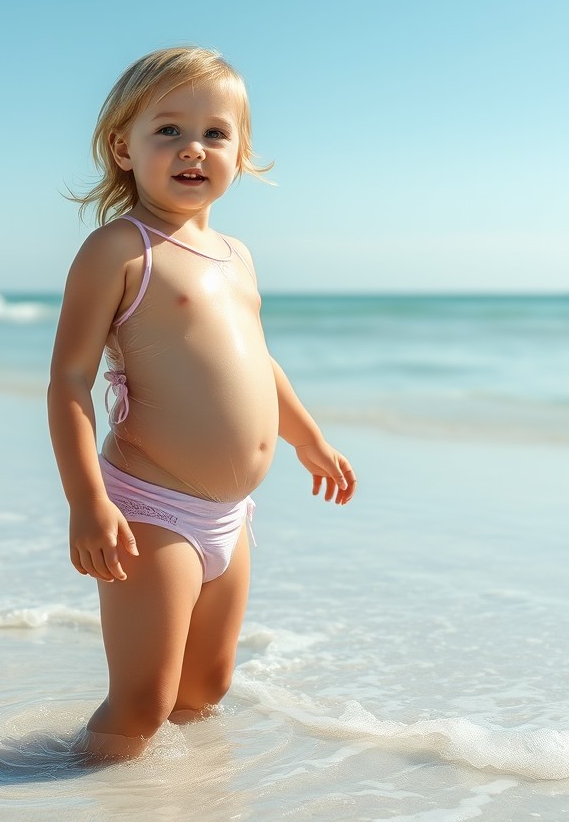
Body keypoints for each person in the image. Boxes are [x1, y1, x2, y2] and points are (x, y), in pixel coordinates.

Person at [47, 46, 356, 760]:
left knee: (204, 691)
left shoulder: (237, 255)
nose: (194, 149)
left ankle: (171, 810)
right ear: (123, 147)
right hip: (149, 508)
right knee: (143, 701)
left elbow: (256, 359)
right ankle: (93, 808)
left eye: (216, 133)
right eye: (169, 131)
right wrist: (86, 501)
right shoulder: (121, 249)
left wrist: (305, 437)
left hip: (231, 516)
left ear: (241, 152)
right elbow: (69, 381)